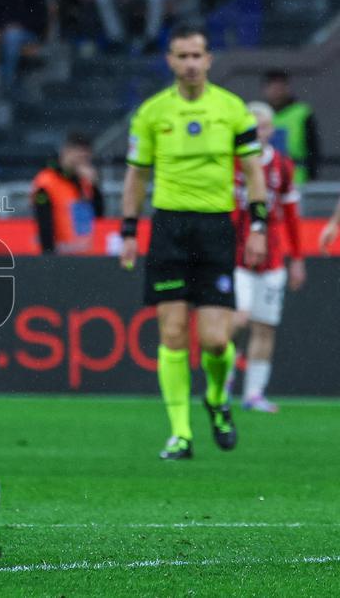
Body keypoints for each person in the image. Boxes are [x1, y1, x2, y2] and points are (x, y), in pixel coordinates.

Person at [120, 23, 268, 460]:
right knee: (171, 332)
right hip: (168, 228)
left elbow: (254, 171)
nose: (189, 64)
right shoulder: (150, 113)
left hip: (216, 228)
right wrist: (129, 230)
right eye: (181, 56)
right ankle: (180, 433)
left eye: (196, 56)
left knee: (217, 341)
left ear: (208, 59)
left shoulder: (232, 109)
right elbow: (137, 175)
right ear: (170, 60)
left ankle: (217, 398)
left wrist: (257, 225)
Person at [229, 102, 304, 413]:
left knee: (265, 327)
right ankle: (222, 383)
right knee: (239, 318)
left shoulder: (283, 167)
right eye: (253, 127)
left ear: (272, 130)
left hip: (273, 258)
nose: (259, 132)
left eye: (264, 127)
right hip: (236, 254)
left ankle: (254, 394)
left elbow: (290, 215)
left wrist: (297, 258)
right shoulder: (230, 163)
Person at [31, 131, 103, 254]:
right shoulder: (47, 181)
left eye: (85, 158)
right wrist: (49, 256)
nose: (82, 163)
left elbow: (99, 214)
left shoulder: (85, 182)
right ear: (66, 152)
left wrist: (95, 186)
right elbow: (44, 224)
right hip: (59, 253)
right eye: (79, 157)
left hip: (84, 253)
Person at [262, 69, 321, 184]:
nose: (277, 93)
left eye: (280, 88)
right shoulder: (258, 114)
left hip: (297, 180)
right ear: (265, 90)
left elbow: (313, 148)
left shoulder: (302, 113)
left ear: (288, 89)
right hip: (266, 181)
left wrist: (312, 178)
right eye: (273, 88)